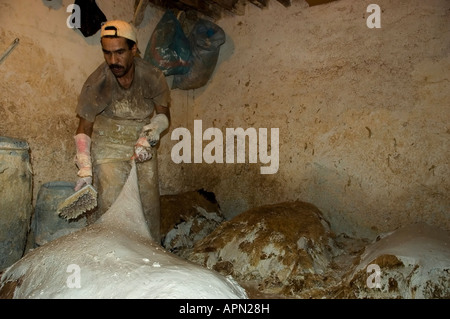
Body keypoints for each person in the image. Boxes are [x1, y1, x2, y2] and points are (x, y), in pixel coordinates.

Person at [73, 20, 171, 243]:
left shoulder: (153, 76)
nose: (113, 61)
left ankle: (148, 261)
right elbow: (84, 128)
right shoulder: (97, 82)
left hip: (142, 142)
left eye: (119, 53)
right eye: (107, 53)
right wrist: (85, 169)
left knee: (148, 207)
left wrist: (151, 135)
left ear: (134, 49)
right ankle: (111, 262)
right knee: (111, 207)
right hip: (108, 145)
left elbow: (164, 116)